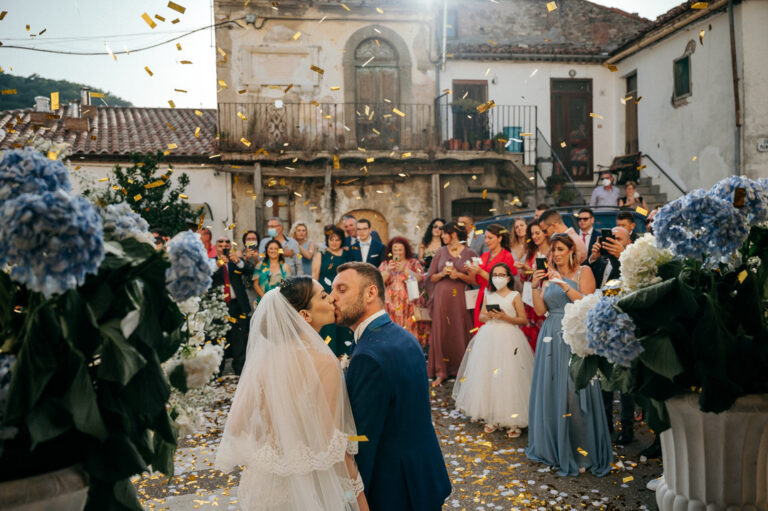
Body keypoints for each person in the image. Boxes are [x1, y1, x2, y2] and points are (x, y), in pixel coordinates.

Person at [216, 277, 369, 511]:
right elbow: (331, 443)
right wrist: (357, 494)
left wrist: (270, 448)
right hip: (310, 487)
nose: (332, 299)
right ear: (305, 315)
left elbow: (236, 426)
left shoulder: (264, 361)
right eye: (323, 296)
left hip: (266, 485)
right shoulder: (325, 362)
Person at [331, 262, 452, 510]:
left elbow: (363, 439)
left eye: (342, 290)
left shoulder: (368, 355)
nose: (333, 298)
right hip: (424, 475)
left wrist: (353, 498)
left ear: (371, 293)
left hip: (394, 489)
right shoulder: (402, 335)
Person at [526, 234, 613, 477]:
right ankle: (554, 449)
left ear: (571, 250)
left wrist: (563, 284)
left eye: (561, 249)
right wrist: (535, 286)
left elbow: (589, 302)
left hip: (574, 335)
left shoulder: (583, 272)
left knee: (576, 393)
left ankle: (582, 451)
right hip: (551, 334)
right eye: (553, 250)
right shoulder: (547, 276)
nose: (556, 254)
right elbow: (541, 309)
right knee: (553, 393)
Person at [453, 262, 534, 439]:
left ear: (508, 277)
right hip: (489, 336)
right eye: (495, 275)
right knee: (489, 375)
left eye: (501, 275)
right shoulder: (488, 295)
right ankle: (493, 416)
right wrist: (488, 315)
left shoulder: (514, 295)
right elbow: (481, 315)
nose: (498, 278)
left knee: (510, 377)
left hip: (509, 338)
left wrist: (505, 317)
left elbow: (522, 320)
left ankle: (513, 419)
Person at [425, 221, 478, 387]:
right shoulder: (440, 252)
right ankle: (442, 371)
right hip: (442, 297)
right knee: (442, 330)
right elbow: (430, 277)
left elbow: (474, 280)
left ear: (453, 234)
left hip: (460, 297)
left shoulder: (470, 253)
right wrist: (442, 274)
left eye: (444, 233)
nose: (441, 236)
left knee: (461, 329)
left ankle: (463, 369)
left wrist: (459, 275)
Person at [212, 236, 251, 375]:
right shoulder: (210, 262)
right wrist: (217, 264)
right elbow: (205, 276)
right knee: (218, 338)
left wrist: (239, 261)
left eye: (227, 242)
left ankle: (240, 369)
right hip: (218, 306)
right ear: (215, 245)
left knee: (239, 337)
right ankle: (217, 371)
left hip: (236, 305)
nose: (224, 244)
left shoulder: (236, 262)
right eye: (220, 242)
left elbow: (249, 271)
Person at [379, 237, 429, 346]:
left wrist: (406, 271)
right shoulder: (385, 264)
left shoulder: (413, 263)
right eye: (395, 250)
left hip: (410, 304)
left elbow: (421, 279)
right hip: (390, 305)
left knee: (410, 330)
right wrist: (388, 271)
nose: (397, 252)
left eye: (400, 250)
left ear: (405, 250)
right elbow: (378, 280)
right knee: (391, 331)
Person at [312, 225, 354, 357]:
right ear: (327, 240)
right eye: (331, 239)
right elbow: (315, 275)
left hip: (343, 296)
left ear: (342, 241)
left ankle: (344, 358)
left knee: (342, 324)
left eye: (337, 239)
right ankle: (327, 356)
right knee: (328, 324)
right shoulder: (321, 254)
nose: (334, 242)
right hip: (325, 296)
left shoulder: (347, 255)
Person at [468, 223, 517, 329]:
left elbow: (504, 282)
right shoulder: (484, 256)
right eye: (485, 237)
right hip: (482, 296)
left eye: (490, 238)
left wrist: (480, 272)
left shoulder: (506, 256)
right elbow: (475, 282)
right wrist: (471, 271)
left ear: (499, 238)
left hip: (499, 296)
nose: (486, 241)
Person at [519, 221, 550, 352]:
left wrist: (531, 271)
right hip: (531, 296)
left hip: (546, 294)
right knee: (531, 334)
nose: (535, 236)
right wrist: (524, 271)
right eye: (532, 234)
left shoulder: (552, 251)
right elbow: (524, 279)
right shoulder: (531, 252)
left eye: (537, 233)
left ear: (544, 233)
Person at [241, 230, 260, 309]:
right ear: (245, 241)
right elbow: (237, 270)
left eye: (253, 239)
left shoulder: (263, 253)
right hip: (245, 288)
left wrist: (257, 260)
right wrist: (245, 258)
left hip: (260, 287)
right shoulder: (240, 253)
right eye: (248, 239)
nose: (251, 241)